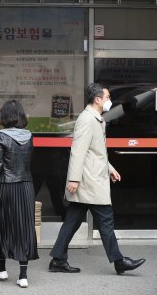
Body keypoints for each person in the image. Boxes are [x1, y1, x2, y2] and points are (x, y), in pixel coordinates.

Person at [49, 83, 146, 275]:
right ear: (97, 99)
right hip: (89, 181)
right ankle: (119, 261)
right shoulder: (88, 120)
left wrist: (110, 168)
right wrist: (74, 180)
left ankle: (58, 259)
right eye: (108, 97)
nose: (110, 101)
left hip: (90, 179)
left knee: (72, 221)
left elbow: (96, 152)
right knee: (106, 220)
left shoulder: (95, 119)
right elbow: (78, 151)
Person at [0, 100, 38, 289]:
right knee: (24, 227)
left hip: (7, 186)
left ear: (5, 116)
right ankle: (23, 276)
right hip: (26, 186)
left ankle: (2, 269)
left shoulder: (1, 136)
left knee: (3, 225)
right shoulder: (29, 136)